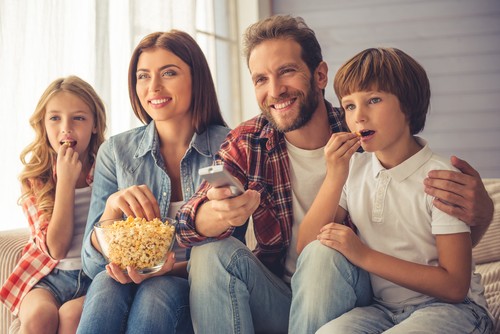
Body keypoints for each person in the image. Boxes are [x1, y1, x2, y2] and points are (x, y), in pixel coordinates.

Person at [176, 14, 494, 333]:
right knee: (209, 252)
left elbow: (440, 253)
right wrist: (216, 212)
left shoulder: (365, 138)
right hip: (280, 293)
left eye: (287, 71)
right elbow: (187, 223)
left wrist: (484, 213)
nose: (274, 91)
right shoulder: (251, 139)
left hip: (352, 292)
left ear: (320, 75)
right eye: (261, 79)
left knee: (324, 251)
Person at [297, 47, 493, 333]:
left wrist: (363, 255)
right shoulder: (353, 170)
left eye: (373, 100)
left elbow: (454, 286)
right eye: (349, 106)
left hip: (452, 309)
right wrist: (335, 174)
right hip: (383, 311)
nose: (359, 116)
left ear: (408, 106)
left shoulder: (440, 178)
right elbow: (307, 247)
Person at [77, 30, 233, 334]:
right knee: (106, 286)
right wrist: (111, 209)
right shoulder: (117, 152)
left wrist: (163, 270)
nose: (153, 87)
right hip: (123, 283)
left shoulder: (229, 146)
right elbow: (92, 264)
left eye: (169, 73)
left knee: (156, 292)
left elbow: (230, 252)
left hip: (196, 285)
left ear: (196, 78)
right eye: (143, 76)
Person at [0, 76, 107, 334]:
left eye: (78, 118)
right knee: (39, 318)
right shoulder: (35, 178)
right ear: (43, 124)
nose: (66, 128)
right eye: (55, 118)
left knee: (71, 319)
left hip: (94, 278)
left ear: (94, 125)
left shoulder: (108, 170)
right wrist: (65, 183)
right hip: (47, 277)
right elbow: (56, 248)